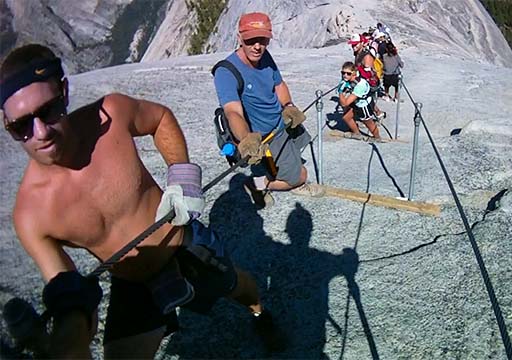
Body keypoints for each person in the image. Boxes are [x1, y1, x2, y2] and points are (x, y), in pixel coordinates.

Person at [0, 44, 281, 358]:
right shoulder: (30, 216)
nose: (40, 133)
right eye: (21, 125)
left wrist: (182, 177)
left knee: (240, 287)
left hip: (183, 244)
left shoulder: (113, 113)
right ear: (6, 126)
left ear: (63, 92)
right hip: (132, 281)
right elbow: (71, 300)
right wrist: (67, 347)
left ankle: (260, 313)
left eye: (47, 111)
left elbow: (160, 119)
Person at [213, 12, 324, 209]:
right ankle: (256, 184)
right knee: (300, 175)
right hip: (264, 136)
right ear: (240, 38)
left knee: (298, 151)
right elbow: (233, 112)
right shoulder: (226, 72)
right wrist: (247, 139)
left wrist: (288, 106)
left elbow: (278, 85)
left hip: (281, 125)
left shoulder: (265, 56)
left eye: (263, 40)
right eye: (251, 40)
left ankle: (270, 170)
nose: (258, 46)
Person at [337, 61, 380, 140]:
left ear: (353, 73)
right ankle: (357, 133)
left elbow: (344, 103)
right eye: (343, 73)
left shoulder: (360, 85)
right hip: (356, 102)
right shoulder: (350, 80)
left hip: (363, 105)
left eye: (348, 73)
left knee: (368, 122)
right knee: (347, 117)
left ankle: (377, 137)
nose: (345, 75)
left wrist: (340, 92)